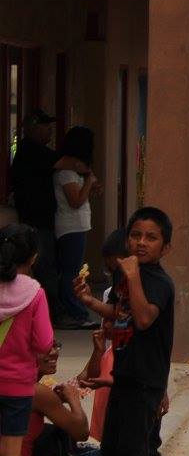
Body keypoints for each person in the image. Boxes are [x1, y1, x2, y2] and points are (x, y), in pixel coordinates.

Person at [91, 206, 175, 456]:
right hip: (126, 375)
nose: (141, 243)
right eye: (136, 235)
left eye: (151, 237)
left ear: (164, 247)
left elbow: (142, 319)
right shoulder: (131, 277)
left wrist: (134, 277)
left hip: (144, 381)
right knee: (116, 453)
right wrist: (88, 301)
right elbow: (122, 315)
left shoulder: (155, 280)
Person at [0, 224, 55, 456]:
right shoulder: (34, 292)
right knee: (10, 454)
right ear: (32, 258)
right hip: (18, 387)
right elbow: (44, 341)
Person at [7, 110, 60, 308]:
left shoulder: (35, 151)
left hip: (41, 219)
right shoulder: (30, 150)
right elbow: (64, 162)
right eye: (46, 127)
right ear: (33, 127)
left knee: (45, 267)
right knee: (44, 268)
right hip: (36, 220)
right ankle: (51, 311)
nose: (50, 131)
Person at [52, 127, 100, 330]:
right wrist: (89, 182)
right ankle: (75, 312)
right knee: (71, 271)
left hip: (78, 226)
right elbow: (75, 201)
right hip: (70, 227)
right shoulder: (66, 173)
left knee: (74, 269)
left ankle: (76, 310)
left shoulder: (74, 172)